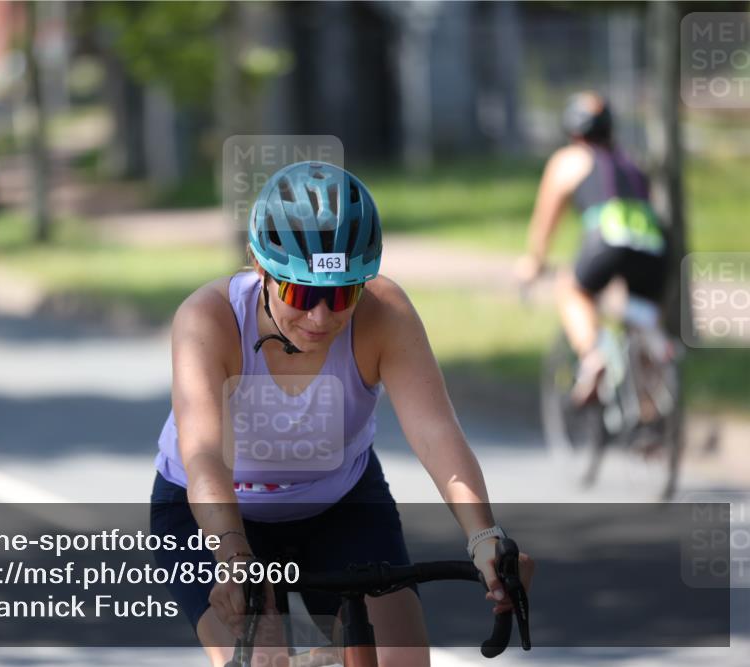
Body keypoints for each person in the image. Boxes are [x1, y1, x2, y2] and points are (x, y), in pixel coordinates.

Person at [151, 161, 533, 666]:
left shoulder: (384, 315)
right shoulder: (208, 320)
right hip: (217, 516)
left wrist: (484, 537)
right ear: (259, 268)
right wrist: (231, 556)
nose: (321, 317)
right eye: (303, 292)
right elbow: (204, 458)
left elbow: (437, 433)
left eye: (342, 293)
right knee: (262, 660)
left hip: (339, 505)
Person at [516, 92, 668, 403]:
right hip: (654, 243)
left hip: (608, 238)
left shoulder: (568, 160)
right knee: (639, 318)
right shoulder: (633, 162)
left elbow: (547, 218)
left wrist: (534, 260)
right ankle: (653, 417)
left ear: (573, 132)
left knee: (572, 289)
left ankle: (592, 356)